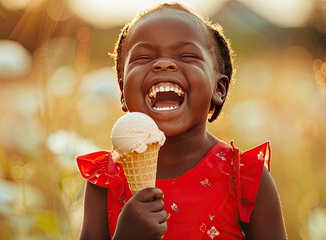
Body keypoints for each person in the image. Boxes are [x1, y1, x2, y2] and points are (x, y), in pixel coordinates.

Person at [76, 2, 287, 239]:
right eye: (144, 56)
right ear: (123, 92)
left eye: (187, 55)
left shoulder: (246, 180)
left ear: (219, 89)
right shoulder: (104, 182)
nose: (163, 64)